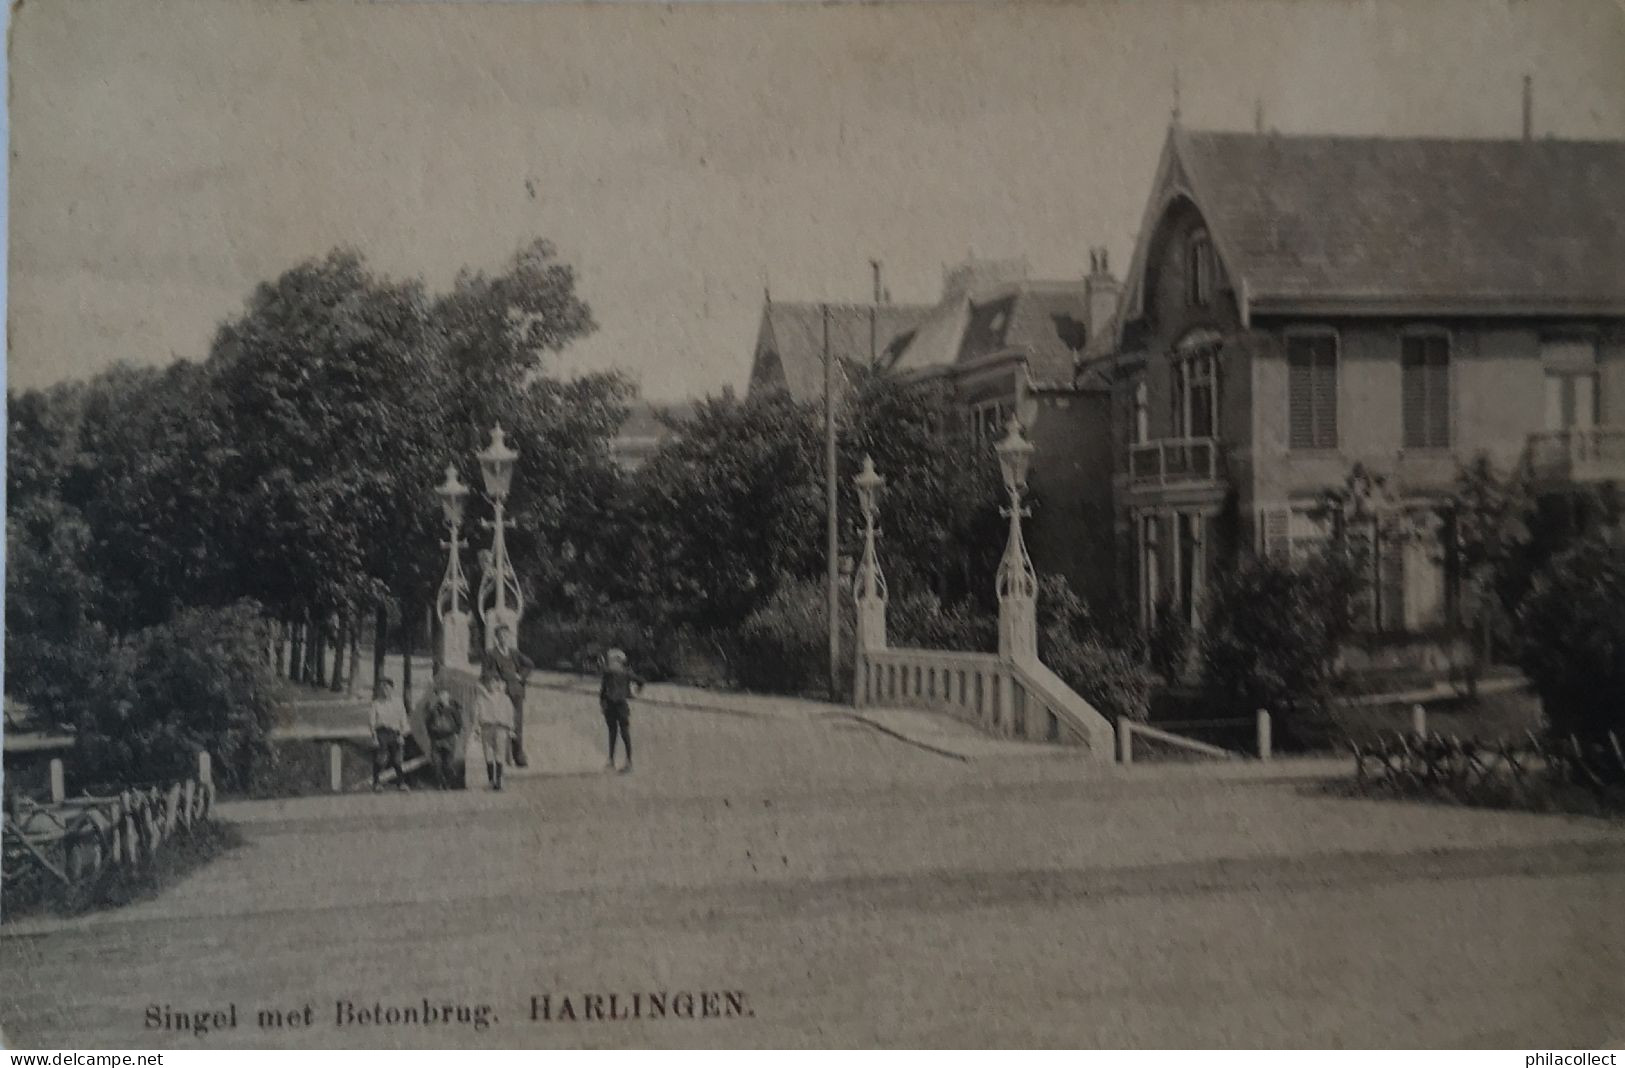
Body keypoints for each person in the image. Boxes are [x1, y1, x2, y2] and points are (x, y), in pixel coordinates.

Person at [485, 624, 535, 767]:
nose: (504, 639)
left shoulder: (514, 653)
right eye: (501, 636)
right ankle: (502, 756)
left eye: (506, 636)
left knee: (517, 724)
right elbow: (486, 672)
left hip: (517, 692)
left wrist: (521, 676)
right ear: (496, 638)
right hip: (501, 693)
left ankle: (518, 755)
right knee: (501, 725)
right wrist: (496, 680)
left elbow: (530, 664)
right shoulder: (492, 654)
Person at [599, 648, 644, 774]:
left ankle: (614, 761)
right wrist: (635, 692)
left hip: (614, 704)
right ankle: (624, 761)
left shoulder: (610, 673)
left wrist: (603, 703)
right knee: (622, 732)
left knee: (616, 732)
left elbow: (603, 690)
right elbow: (641, 681)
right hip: (618, 705)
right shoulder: (624, 672)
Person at [370, 678, 411, 793]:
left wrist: (402, 735)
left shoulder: (398, 702)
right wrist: (374, 736)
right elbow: (372, 721)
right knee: (381, 759)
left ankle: (401, 783)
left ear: (392, 689)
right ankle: (376, 783)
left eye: (387, 688)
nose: (385, 691)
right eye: (382, 688)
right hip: (381, 733)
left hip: (395, 732)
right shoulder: (376, 703)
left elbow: (403, 719)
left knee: (397, 759)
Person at [476, 672, 514, 791]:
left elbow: (510, 713)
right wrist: (477, 728)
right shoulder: (481, 698)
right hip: (487, 727)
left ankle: (498, 781)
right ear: (486, 684)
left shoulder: (505, 698)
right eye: (489, 683)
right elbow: (477, 713)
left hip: (501, 727)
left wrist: (511, 728)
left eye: (494, 682)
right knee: (488, 753)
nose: (492, 685)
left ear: (498, 684)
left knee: (500, 753)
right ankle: (490, 781)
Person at [423, 681, 464, 790]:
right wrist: (431, 734)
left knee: (448, 763)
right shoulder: (433, 709)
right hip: (436, 739)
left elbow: (459, 723)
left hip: (449, 738)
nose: (442, 696)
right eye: (440, 694)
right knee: (437, 763)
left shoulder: (454, 709)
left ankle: (448, 783)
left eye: (444, 694)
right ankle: (440, 783)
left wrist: (456, 733)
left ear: (448, 695)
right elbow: (428, 723)